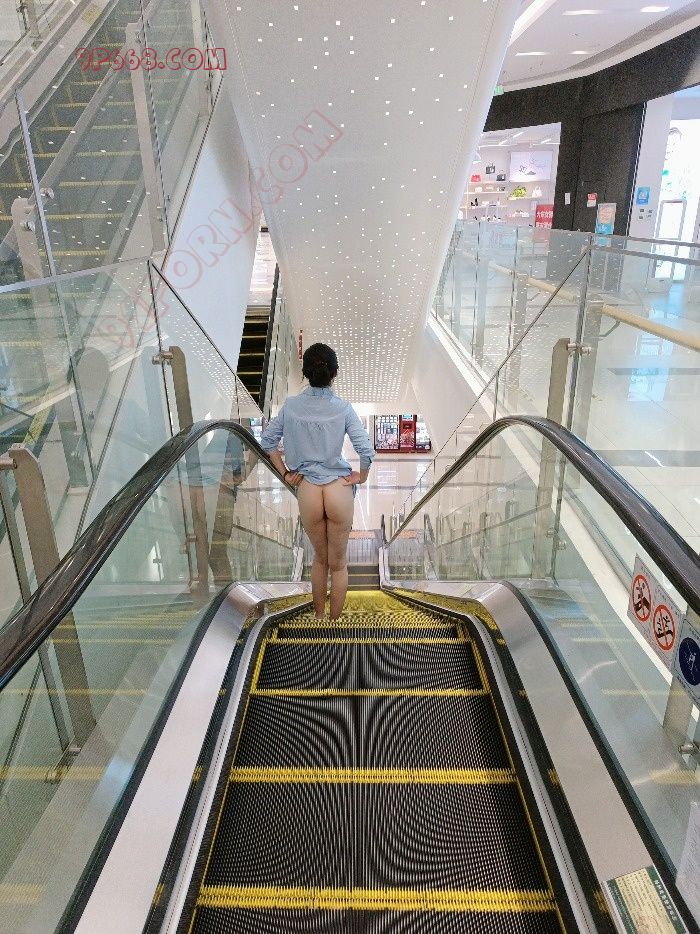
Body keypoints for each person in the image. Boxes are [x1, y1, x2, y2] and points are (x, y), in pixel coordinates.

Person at [260, 343, 375, 619]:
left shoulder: (291, 406)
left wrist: (285, 473)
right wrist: (361, 476)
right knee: (339, 564)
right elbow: (366, 451)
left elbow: (267, 442)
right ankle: (334, 624)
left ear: (305, 373)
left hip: (308, 490)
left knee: (319, 560)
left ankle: (319, 617)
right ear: (335, 373)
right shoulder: (343, 408)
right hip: (338, 490)